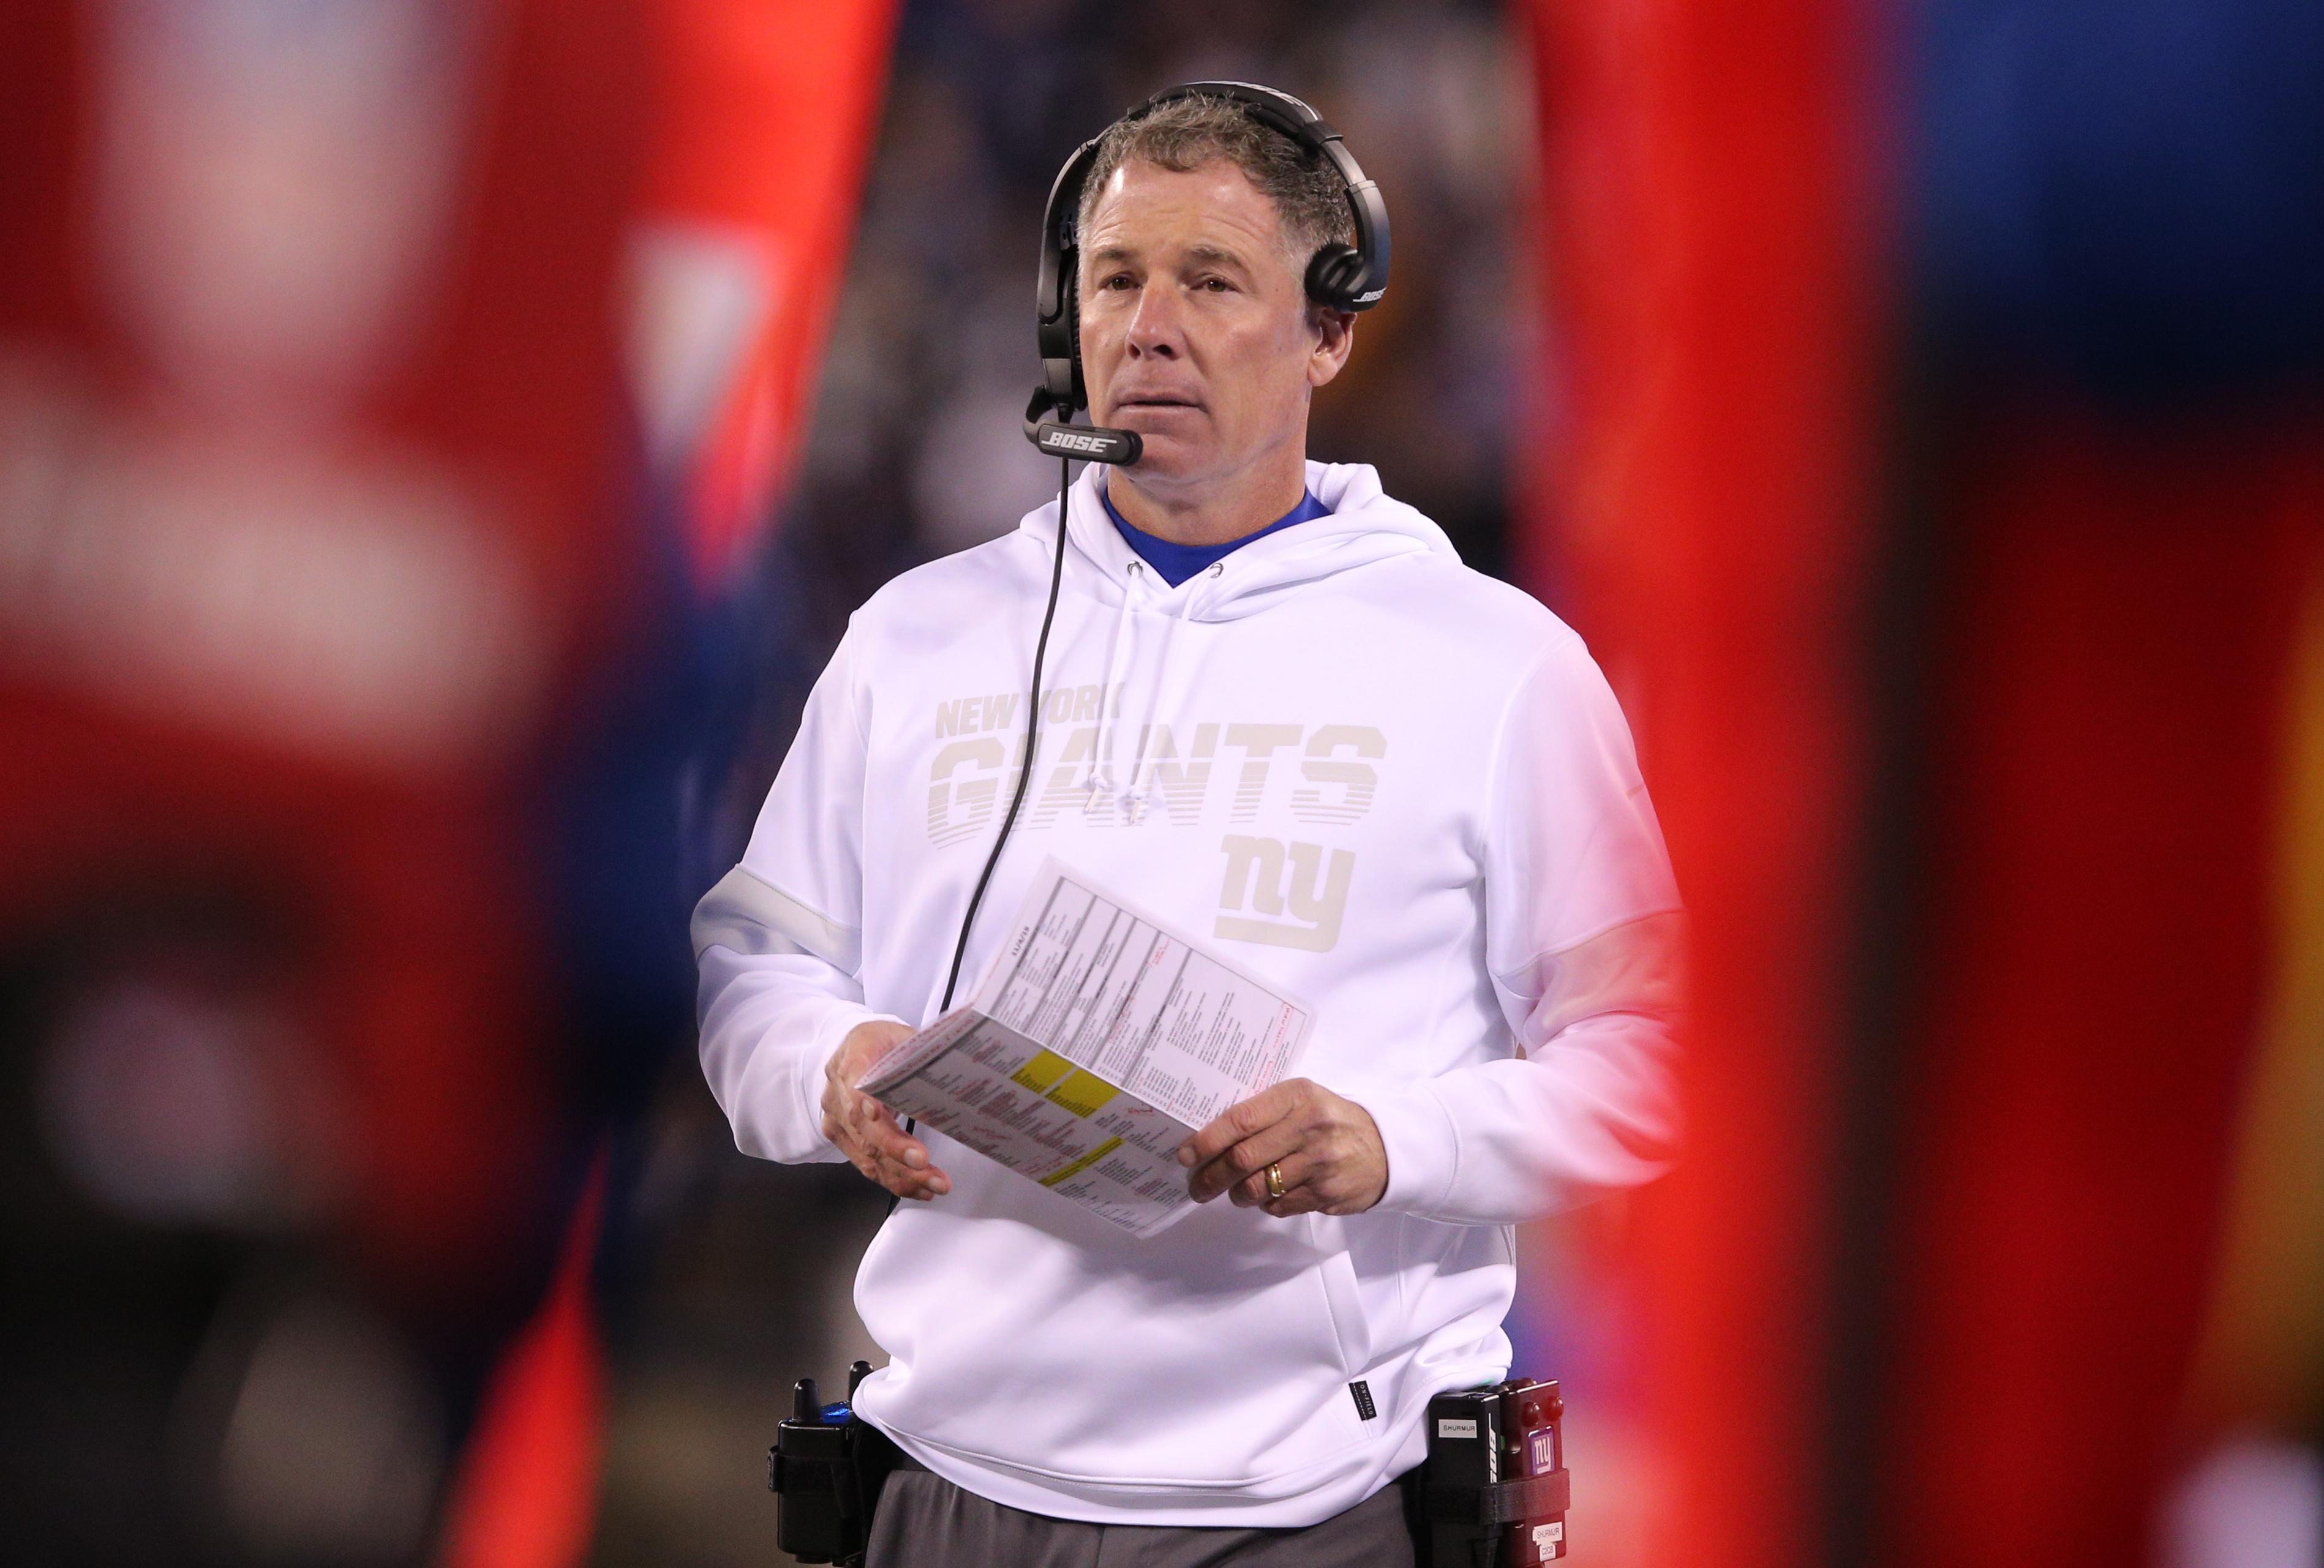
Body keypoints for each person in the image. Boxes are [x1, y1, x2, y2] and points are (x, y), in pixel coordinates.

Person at [693, 85, 1683, 1566]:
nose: (1149, 324)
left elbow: (1665, 1060)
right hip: (946, 1477)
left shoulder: (1500, 663)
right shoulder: (917, 638)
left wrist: (1395, 1140)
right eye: (1113, 279)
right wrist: (822, 1068)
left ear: (1330, 330)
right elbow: (750, 975)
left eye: (1212, 281)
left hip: (1320, 1507)